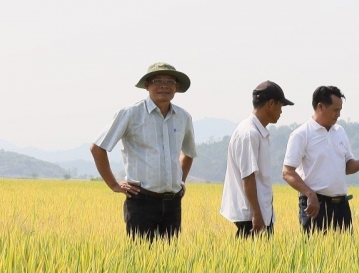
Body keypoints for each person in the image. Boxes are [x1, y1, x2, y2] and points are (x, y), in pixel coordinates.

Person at [91, 62, 198, 241]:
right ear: (147, 85)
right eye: (158, 81)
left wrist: (180, 181)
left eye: (169, 82)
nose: (164, 85)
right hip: (142, 201)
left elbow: (188, 152)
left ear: (176, 87)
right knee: (141, 255)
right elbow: (98, 148)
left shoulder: (183, 117)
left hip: (173, 203)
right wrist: (114, 185)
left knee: (171, 255)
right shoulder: (131, 113)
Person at [283, 86, 359, 232]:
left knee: (345, 247)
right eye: (335, 110)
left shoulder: (340, 132)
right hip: (315, 205)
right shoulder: (301, 134)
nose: (338, 115)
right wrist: (310, 194)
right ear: (320, 106)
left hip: (341, 206)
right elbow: (287, 172)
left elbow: (347, 166)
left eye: (340, 110)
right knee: (315, 246)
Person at [219, 81, 292, 237]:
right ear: (271, 104)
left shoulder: (257, 132)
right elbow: (248, 177)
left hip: (261, 213)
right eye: (280, 106)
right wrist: (256, 215)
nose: (281, 111)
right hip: (251, 217)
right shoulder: (249, 133)